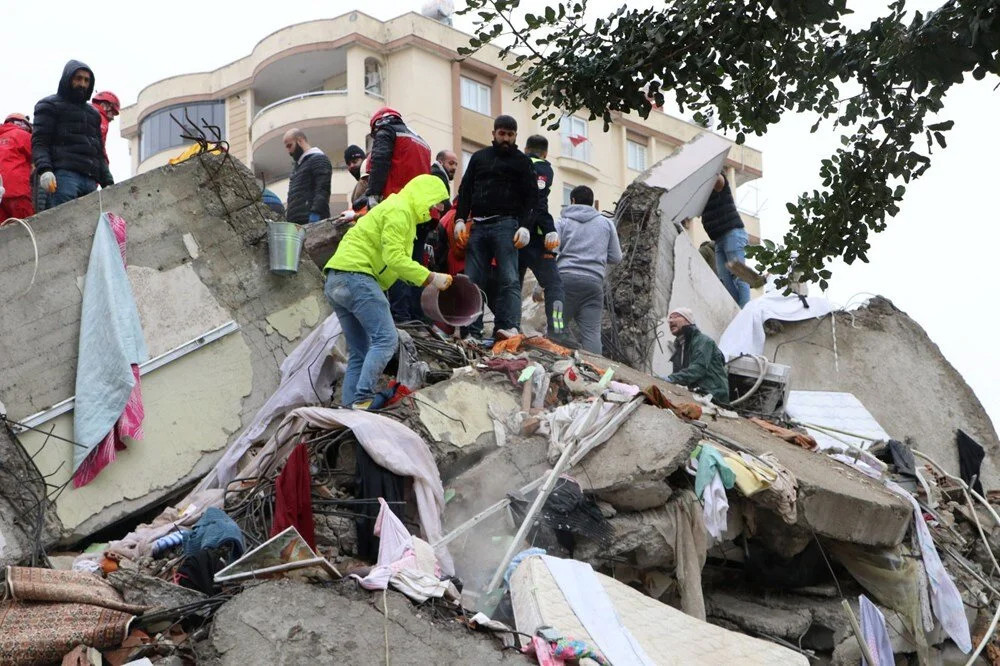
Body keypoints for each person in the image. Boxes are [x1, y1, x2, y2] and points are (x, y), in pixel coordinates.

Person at [324, 174, 452, 409]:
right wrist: (432, 277)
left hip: (337, 280)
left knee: (360, 352)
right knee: (386, 340)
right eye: (437, 201)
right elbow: (395, 258)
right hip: (358, 277)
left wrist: (422, 281)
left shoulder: (396, 210)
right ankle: (363, 398)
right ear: (424, 195)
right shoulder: (400, 210)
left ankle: (349, 408)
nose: (438, 208)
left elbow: (393, 264)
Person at [454, 115, 537, 340]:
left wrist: (526, 227)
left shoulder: (522, 162)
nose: (506, 139)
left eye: (510, 135)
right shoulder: (479, 158)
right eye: (502, 134)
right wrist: (460, 219)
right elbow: (466, 191)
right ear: (494, 134)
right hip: (478, 226)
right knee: (472, 281)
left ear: (515, 136)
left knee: (509, 278)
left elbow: (532, 198)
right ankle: (470, 330)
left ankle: (508, 327)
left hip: (507, 225)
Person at [32, 60, 114, 209]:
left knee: (86, 229)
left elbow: (98, 151)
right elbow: (40, 142)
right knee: (61, 226)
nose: (82, 84)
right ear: (68, 79)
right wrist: (45, 170)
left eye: (86, 80)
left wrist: (107, 181)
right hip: (64, 177)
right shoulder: (49, 105)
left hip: (90, 181)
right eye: (78, 78)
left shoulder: (93, 114)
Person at [554, 185, 621, 354]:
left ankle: (555, 365)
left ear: (573, 201)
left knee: (556, 326)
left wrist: (540, 287)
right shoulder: (606, 224)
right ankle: (594, 372)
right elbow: (616, 257)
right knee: (591, 334)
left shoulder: (562, 222)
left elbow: (551, 254)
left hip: (564, 281)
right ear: (592, 203)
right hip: (593, 285)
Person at [518, 134, 566, 339]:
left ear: (526, 148)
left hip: (514, 233)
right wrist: (548, 228)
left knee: (513, 283)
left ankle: (509, 325)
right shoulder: (543, 167)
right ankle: (557, 330)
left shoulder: (515, 163)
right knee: (554, 284)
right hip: (536, 237)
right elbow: (538, 201)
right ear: (545, 153)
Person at [359, 107, 431, 209]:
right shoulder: (423, 143)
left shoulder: (386, 131)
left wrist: (373, 194)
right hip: (421, 208)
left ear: (377, 123)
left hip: (396, 205)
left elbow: (380, 162)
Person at [701, 173, 750, 307]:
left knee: (740, 275)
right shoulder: (701, 196)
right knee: (724, 279)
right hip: (719, 239)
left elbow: (718, 179)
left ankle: (745, 311)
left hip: (732, 233)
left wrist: (704, 172)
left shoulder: (717, 180)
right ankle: (737, 309)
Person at [662, 308, 730, 404]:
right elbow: (678, 376)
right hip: (696, 395)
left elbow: (697, 369)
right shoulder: (680, 347)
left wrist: (671, 378)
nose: (671, 321)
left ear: (688, 321)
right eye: (670, 318)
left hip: (714, 396)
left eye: (676, 316)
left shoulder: (704, 341)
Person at [283, 128, 332, 224]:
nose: (289, 151)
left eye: (290, 146)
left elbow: (322, 189)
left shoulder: (319, 160)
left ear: (300, 140)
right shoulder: (297, 167)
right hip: (296, 224)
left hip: (312, 220)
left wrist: (316, 214)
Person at [0, 114, 35, 220]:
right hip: (17, 190)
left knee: (4, 232)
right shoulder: (23, 135)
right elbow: (38, 155)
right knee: (28, 225)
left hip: (1, 194)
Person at [90, 91, 120, 165]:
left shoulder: (88, 111)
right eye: (113, 112)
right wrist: (105, 162)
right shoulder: (101, 119)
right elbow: (99, 144)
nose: (113, 117)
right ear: (105, 106)